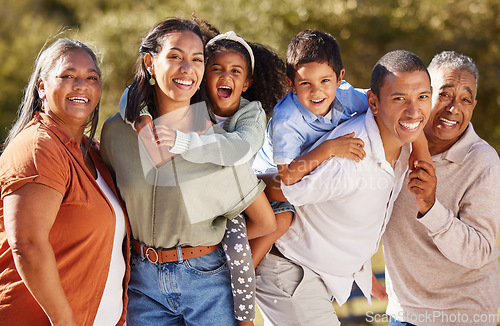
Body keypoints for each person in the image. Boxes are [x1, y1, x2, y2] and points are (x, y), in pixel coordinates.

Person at [100, 18, 267, 326]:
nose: (187, 68)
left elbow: (264, 220)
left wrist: (223, 256)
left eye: (197, 59)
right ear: (150, 62)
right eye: (175, 56)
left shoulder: (213, 138)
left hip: (207, 281)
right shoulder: (116, 132)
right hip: (141, 285)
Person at [255, 50, 433, 326]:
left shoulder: (402, 140)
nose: (413, 110)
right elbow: (279, 190)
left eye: (422, 97)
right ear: (373, 102)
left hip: (316, 272)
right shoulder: (350, 158)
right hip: (291, 272)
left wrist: (359, 265)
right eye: (399, 98)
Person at [0, 38, 130, 326]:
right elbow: (28, 244)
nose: (81, 85)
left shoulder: (93, 152)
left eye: (91, 77)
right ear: (42, 87)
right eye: (68, 76)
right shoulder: (38, 148)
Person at [381, 51, 500, 326]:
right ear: (422, 94)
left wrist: (430, 207)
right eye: (444, 95)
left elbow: (480, 251)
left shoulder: (483, 161)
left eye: (465, 99)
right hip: (403, 312)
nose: (454, 108)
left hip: (463, 316)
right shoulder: (394, 141)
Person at [250, 29, 370, 267]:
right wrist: (329, 148)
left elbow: (380, 104)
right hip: (267, 177)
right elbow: (287, 176)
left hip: (305, 170)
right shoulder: (288, 119)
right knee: (283, 217)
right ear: (291, 84)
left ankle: (360, 269)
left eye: (325, 81)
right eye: (306, 83)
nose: (317, 91)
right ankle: (242, 272)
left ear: (340, 77)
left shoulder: (346, 96)